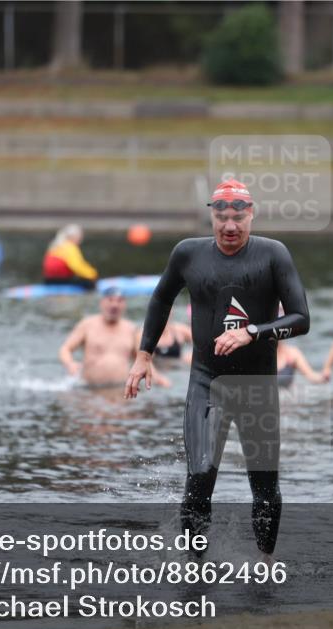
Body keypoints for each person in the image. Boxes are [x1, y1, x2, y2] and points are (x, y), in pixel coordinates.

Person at [124, 178, 310, 559]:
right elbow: (160, 300)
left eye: (238, 219)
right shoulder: (188, 254)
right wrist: (144, 355)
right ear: (212, 217)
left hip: (257, 386)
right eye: (222, 218)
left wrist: (252, 332)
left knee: (265, 489)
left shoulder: (274, 255)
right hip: (206, 381)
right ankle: (195, 568)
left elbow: (301, 319)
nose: (230, 227)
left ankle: (265, 566)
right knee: (200, 476)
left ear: (251, 216)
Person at [59, 287, 168, 388]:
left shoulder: (132, 330)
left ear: (124, 305)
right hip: (90, 390)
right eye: (110, 300)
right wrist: (70, 363)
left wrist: (158, 379)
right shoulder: (87, 325)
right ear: (102, 303)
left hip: (120, 390)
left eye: (119, 301)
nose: (114, 305)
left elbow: (143, 360)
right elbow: (65, 349)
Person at [43, 224, 98, 288]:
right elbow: (77, 266)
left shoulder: (55, 245)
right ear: (73, 237)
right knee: (90, 283)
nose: (81, 239)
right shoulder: (70, 247)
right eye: (79, 236)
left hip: (48, 281)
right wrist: (92, 274)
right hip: (62, 280)